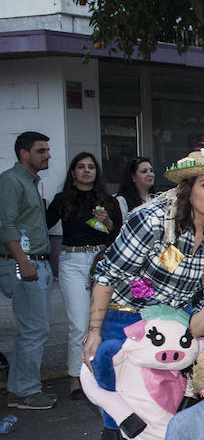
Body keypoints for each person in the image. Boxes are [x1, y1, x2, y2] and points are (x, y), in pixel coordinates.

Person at [83, 145, 204, 440]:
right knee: (124, 397)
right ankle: (115, 424)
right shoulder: (152, 221)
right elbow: (106, 274)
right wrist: (93, 331)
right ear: (187, 188)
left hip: (176, 320)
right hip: (128, 315)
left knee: (167, 410)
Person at [47, 152, 122, 399]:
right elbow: (42, 223)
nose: (86, 170)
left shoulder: (108, 201)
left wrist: (108, 222)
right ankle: (76, 377)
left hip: (101, 260)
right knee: (80, 323)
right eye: (81, 167)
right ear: (73, 172)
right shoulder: (62, 199)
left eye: (91, 167)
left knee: (103, 321)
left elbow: (119, 235)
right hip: (72, 261)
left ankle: (100, 372)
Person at [0, 131, 55, 410]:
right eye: (41, 150)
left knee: (32, 329)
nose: (47, 155)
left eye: (47, 150)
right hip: (25, 263)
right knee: (35, 329)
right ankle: (27, 392)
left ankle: (21, 388)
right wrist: (23, 262)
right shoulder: (11, 181)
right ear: (24, 153)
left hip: (33, 262)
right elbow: (5, 225)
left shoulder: (28, 182)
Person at [114, 155, 155, 220]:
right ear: (133, 177)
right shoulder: (122, 201)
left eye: (151, 171)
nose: (150, 174)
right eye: (144, 171)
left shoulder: (156, 199)